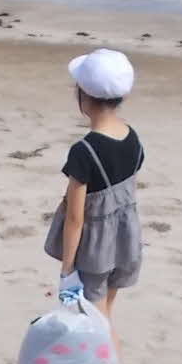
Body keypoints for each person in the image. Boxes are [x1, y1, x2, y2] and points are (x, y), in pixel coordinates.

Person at [43, 48, 144, 336]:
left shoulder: (84, 152)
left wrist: (66, 271)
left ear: (83, 97)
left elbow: (76, 219)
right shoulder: (132, 137)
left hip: (95, 251)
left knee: (96, 323)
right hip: (125, 242)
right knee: (105, 315)